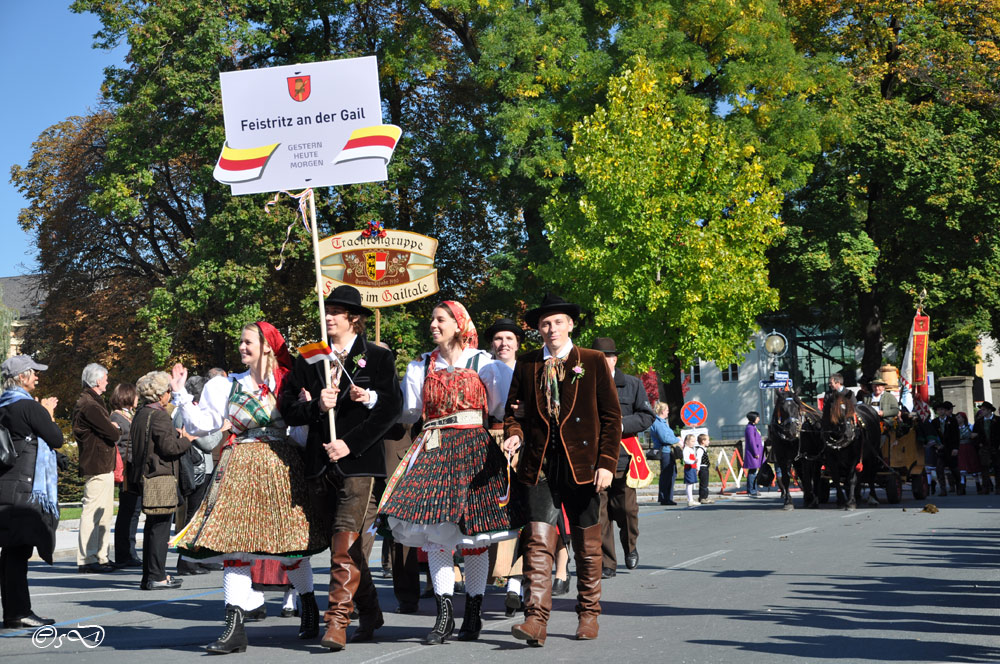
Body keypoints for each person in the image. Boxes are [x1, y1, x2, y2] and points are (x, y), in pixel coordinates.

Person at [171, 321, 328, 654]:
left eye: (247, 342)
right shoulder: (225, 385)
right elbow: (204, 425)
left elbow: (299, 433)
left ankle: (309, 605)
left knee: (290, 547)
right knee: (234, 547)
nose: (241, 347)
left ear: (267, 346)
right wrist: (182, 395)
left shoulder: (287, 382)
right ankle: (233, 627)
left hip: (280, 466)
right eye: (240, 342)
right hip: (239, 465)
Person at [380, 301, 520, 645]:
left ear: (458, 325)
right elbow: (409, 412)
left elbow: (500, 407)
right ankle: (444, 614)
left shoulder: (485, 364)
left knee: (473, 538)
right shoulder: (420, 366)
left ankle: (472, 610)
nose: (432, 324)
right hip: (435, 449)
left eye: (440, 319)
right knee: (437, 536)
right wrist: (372, 397)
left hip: (474, 450)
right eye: (432, 319)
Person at [278, 285, 402, 651]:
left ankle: (337, 621)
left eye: (336, 311)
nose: (328, 316)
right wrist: (316, 405)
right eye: (326, 310)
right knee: (351, 547)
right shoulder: (309, 358)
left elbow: (390, 409)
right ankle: (371, 611)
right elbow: (286, 405)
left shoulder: (377, 358)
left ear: (354, 318)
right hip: (319, 465)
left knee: (343, 541)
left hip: (360, 464)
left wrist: (350, 443)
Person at [502, 293, 622, 645]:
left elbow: (612, 419)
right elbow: (514, 412)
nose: (550, 328)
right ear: (538, 328)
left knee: (587, 543)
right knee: (538, 541)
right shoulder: (526, 364)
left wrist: (606, 464)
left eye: (557, 322)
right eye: (544, 323)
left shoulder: (593, 361)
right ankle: (535, 620)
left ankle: (588, 614)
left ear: (570, 325)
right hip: (539, 465)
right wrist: (514, 435)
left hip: (583, 467)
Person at [0, 356, 63, 628]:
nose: (38, 377)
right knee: (18, 551)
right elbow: (57, 438)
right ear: (22, 377)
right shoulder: (28, 406)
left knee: (11, 551)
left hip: (6, 482)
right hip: (25, 487)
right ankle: (18, 612)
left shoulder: (4, 405)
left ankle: (16, 611)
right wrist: (47, 413)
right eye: (34, 373)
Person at [591, 337, 654, 578]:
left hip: (625, 459)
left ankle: (630, 546)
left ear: (614, 359)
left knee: (627, 510)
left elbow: (646, 417)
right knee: (600, 515)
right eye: (597, 358)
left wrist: (617, 424)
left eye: (605, 357)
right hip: (594, 460)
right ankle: (608, 563)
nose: (602, 361)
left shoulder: (632, 384)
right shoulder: (585, 385)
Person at [130, 371, 195, 591]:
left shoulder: (141, 414)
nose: (169, 394)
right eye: (168, 391)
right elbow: (169, 448)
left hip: (145, 475)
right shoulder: (158, 415)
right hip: (160, 477)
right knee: (160, 529)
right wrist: (186, 439)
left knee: (152, 527)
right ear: (160, 394)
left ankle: (150, 575)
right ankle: (157, 575)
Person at [173, 375, 224, 577]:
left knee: (200, 516)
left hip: (202, 468)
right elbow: (207, 443)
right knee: (191, 517)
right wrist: (220, 428)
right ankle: (185, 561)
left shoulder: (196, 411)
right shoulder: (185, 412)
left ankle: (198, 557)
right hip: (195, 470)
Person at [72, 363, 120, 574]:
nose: (108, 381)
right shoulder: (90, 404)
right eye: (106, 378)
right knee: (93, 511)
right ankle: (87, 558)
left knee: (104, 513)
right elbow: (112, 433)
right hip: (97, 463)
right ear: (98, 380)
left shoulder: (92, 402)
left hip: (101, 463)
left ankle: (100, 556)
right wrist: (114, 428)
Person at [109, 382, 143, 568]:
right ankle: (124, 553)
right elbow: (121, 446)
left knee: (134, 512)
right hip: (127, 470)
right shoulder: (117, 417)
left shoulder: (128, 415)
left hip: (134, 469)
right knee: (127, 512)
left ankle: (130, 551)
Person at [650, 402, 679, 505]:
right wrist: (677, 439)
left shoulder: (662, 422)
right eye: (667, 410)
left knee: (671, 474)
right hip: (665, 451)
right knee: (667, 475)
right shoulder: (658, 423)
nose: (668, 412)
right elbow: (665, 438)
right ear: (662, 411)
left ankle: (667, 497)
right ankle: (665, 498)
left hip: (667, 451)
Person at [932, 401, 961, 496]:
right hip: (940, 449)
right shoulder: (934, 422)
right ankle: (943, 489)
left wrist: (956, 448)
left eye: (942, 409)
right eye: (938, 410)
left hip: (951, 448)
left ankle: (959, 486)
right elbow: (933, 435)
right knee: (939, 469)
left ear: (945, 410)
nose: (940, 411)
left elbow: (956, 435)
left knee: (954, 469)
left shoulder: (952, 421)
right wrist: (936, 445)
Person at [972, 401, 999, 493]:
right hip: (984, 446)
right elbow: (974, 434)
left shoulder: (997, 420)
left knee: (997, 467)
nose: (982, 411)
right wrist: (978, 443)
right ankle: (986, 487)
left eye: (984, 410)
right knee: (984, 467)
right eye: (981, 410)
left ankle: (998, 487)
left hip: (996, 446)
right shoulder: (979, 422)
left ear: (989, 410)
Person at [955, 411, 980, 494]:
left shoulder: (970, 426)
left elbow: (975, 436)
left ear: (963, 418)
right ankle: (962, 486)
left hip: (969, 448)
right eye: (957, 417)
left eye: (959, 417)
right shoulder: (955, 428)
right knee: (962, 467)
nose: (957, 419)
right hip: (961, 448)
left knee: (973, 465)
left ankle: (978, 484)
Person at [744, 412, 764, 497]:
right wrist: (756, 453)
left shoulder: (753, 427)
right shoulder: (750, 428)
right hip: (753, 453)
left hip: (757, 452)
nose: (758, 419)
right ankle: (751, 490)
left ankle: (754, 489)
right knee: (752, 472)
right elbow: (752, 441)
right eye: (757, 417)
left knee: (754, 472)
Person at [696, 433, 714, 504]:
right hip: (702, 468)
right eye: (707, 440)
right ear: (703, 441)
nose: (709, 442)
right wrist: (697, 469)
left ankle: (704, 496)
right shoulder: (700, 450)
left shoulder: (704, 449)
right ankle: (703, 497)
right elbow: (698, 460)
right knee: (704, 484)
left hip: (705, 468)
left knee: (705, 483)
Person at [682, 434, 699, 506]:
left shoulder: (690, 449)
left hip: (692, 468)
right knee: (689, 484)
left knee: (690, 484)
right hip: (689, 468)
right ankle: (690, 500)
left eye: (694, 441)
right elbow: (686, 459)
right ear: (687, 441)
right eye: (692, 441)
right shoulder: (686, 449)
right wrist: (693, 462)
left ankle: (691, 499)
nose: (693, 443)